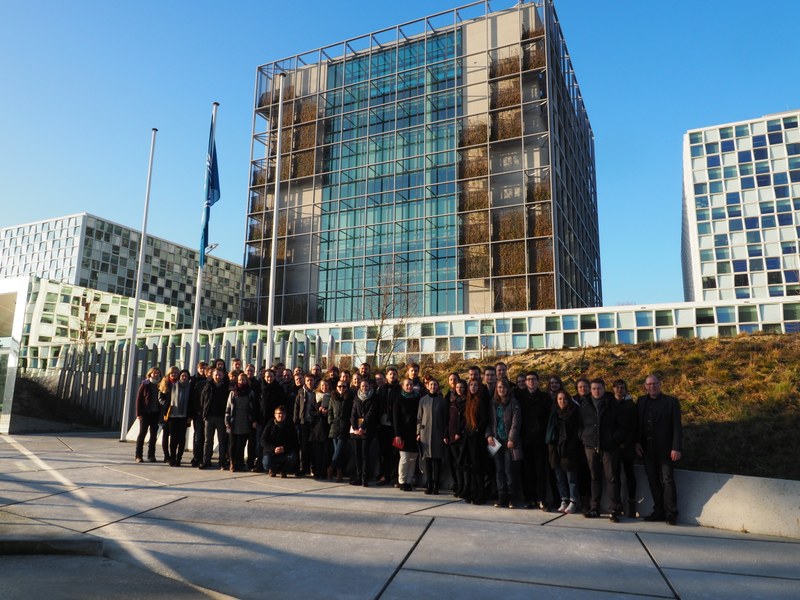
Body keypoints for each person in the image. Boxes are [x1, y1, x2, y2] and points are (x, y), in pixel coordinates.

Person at [636, 374, 682, 526]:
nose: (652, 386)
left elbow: (677, 427)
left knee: (667, 480)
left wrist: (676, 447)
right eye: (649, 384)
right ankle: (659, 511)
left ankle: (671, 513)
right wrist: (637, 442)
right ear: (645, 386)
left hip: (666, 449)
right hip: (648, 450)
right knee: (653, 480)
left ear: (660, 384)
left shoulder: (671, 402)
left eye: (655, 384)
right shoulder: (641, 401)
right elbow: (638, 424)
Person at [579, 378, 624, 522]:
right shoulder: (585, 405)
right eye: (593, 389)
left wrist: (614, 438)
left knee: (611, 478)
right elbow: (580, 424)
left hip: (609, 447)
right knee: (594, 478)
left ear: (604, 389)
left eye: (599, 388)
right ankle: (594, 508)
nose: (596, 391)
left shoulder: (613, 405)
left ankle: (614, 510)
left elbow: (622, 425)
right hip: (591, 446)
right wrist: (583, 436)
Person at [516, 371, 552, 510]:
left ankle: (541, 499)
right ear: (525, 382)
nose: (531, 381)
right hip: (525, 440)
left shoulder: (545, 398)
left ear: (538, 381)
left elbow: (548, 418)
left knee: (540, 471)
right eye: (528, 379)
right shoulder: (520, 398)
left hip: (540, 441)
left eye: (533, 379)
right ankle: (529, 498)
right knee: (527, 471)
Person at [486, 379, 522, 508]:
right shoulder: (493, 403)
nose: (501, 389)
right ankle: (502, 498)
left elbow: (516, 423)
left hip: (508, 442)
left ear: (507, 389)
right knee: (499, 471)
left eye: (504, 387)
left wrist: (511, 439)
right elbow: (489, 421)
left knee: (509, 471)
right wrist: (489, 435)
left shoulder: (514, 403)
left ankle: (512, 499)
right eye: (499, 387)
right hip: (496, 441)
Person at [546, 390, 582, 514]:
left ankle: (573, 501)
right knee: (559, 478)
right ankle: (564, 499)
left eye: (565, 399)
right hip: (556, 449)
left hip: (569, 449)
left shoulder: (574, 413)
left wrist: (570, 446)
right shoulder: (554, 413)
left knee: (571, 478)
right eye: (560, 399)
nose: (562, 401)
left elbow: (577, 432)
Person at [416, 378, 449, 495]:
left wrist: (445, 433)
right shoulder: (423, 400)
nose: (433, 386)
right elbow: (419, 418)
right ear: (427, 386)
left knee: (437, 459)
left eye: (435, 384)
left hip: (438, 433)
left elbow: (446, 419)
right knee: (428, 460)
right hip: (425, 433)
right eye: (431, 384)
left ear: (438, 387)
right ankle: (429, 483)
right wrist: (418, 433)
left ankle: (436, 485)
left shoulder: (442, 401)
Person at [613, 379, 639, 517]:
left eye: (622, 387)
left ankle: (631, 503)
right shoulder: (610, 404)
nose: (619, 390)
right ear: (613, 389)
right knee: (615, 476)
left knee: (630, 475)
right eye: (617, 387)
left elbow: (634, 426)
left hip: (628, 446)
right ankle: (617, 503)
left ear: (626, 390)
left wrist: (628, 443)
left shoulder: (631, 405)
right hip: (614, 446)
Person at [461, 379, 489, 505]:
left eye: (476, 385)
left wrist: (477, 430)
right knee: (471, 467)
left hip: (477, 439)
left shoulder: (481, 400)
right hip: (469, 437)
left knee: (478, 467)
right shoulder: (469, 400)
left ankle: (481, 494)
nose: (473, 387)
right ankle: (473, 492)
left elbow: (484, 418)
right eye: (471, 385)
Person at [225, 371, 258, 472]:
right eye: (240, 379)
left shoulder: (250, 392)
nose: (241, 381)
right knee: (232, 444)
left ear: (246, 380)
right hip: (234, 420)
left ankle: (240, 462)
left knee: (241, 444)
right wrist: (227, 420)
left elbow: (254, 407)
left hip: (245, 420)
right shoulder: (233, 392)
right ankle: (232, 462)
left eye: (243, 379)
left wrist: (253, 420)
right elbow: (228, 407)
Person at [159, 368, 193, 467]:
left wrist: (189, 416)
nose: (184, 377)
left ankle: (179, 458)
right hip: (172, 416)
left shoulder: (190, 388)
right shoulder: (172, 386)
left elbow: (191, 403)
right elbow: (165, 398)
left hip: (184, 416)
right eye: (182, 376)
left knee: (182, 439)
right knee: (173, 438)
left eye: (186, 376)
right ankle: (172, 458)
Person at [393, 377, 421, 491]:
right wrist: (397, 434)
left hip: (414, 432)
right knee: (404, 458)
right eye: (407, 385)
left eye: (411, 384)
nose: (409, 387)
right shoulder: (399, 398)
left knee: (413, 457)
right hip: (402, 433)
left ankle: (409, 481)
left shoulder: (418, 398)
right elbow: (396, 418)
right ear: (403, 386)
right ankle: (402, 481)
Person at [199, 367, 230, 470]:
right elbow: (203, 400)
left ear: (222, 375)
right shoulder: (208, 386)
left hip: (221, 418)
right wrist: (204, 414)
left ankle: (222, 462)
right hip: (209, 417)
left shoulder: (226, 387)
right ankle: (206, 461)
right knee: (208, 440)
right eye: (216, 375)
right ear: (212, 376)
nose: (218, 376)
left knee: (222, 440)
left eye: (220, 375)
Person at [375, 366, 400, 486]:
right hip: (382, 425)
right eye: (390, 374)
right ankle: (385, 475)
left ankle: (395, 477)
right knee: (383, 452)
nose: (392, 376)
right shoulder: (381, 389)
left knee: (395, 452)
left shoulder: (400, 389)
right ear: (387, 376)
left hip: (395, 428)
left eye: (394, 374)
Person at [350, 378, 378, 486]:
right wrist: (355, 427)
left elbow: (371, 414)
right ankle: (358, 476)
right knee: (357, 454)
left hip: (367, 429)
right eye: (362, 386)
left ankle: (364, 478)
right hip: (357, 430)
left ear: (369, 386)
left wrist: (363, 426)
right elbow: (353, 413)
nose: (364, 388)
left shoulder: (373, 397)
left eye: (366, 386)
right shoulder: (357, 397)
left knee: (364, 454)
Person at [261, 406, 299, 477]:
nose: (280, 415)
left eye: (282, 413)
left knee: (292, 457)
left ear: (285, 415)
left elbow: (294, 441)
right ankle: (272, 469)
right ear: (275, 415)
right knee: (266, 463)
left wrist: (283, 448)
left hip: (285, 451)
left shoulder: (290, 426)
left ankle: (283, 469)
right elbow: (263, 441)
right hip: (271, 451)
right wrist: (274, 448)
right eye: (278, 413)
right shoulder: (269, 425)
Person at [135, 366, 162, 463]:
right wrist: (138, 413)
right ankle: (138, 455)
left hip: (156, 413)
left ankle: (151, 455)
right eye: (154, 373)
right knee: (142, 434)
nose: (156, 375)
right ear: (150, 374)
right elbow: (139, 399)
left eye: (157, 373)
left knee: (153, 435)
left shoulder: (161, 384)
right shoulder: (145, 384)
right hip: (145, 413)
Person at [328, 378, 353, 482]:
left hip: (345, 427)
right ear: (336, 387)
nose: (341, 388)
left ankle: (330, 468)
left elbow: (352, 412)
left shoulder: (350, 398)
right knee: (338, 452)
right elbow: (330, 411)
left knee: (338, 451)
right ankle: (339, 474)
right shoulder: (333, 397)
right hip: (334, 427)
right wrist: (330, 421)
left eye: (344, 386)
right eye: (339, 386)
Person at [294, 373, 318, 477]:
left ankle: (313, 468)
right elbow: (296, 407)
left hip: (314, 423)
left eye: (311, 380)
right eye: (307, 380)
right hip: (303, 423)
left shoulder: (317, 392)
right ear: (305, 381)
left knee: (313, 446)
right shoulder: (301, 392)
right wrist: (295, 421)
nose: (309, 382)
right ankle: (304, 468)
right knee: (304, 447)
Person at [446, 380, 467, 497]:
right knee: (457, 463)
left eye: (462, 387)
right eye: (458, 387)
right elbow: (448, 420)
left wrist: (459, 432)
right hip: (452, 437)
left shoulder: (467, 402)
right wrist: (445, 434)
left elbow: (466, 420)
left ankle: (465, 487)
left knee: (462, 463)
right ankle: (459, 486)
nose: (459, 389)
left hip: (462, 437)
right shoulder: (453, 403)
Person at [309, 378, 332, 480]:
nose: (324, 387)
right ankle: (317, 471)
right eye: (322, 385)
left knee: (326, 452)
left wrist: (327, 412)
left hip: (327, 426)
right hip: (317, 428)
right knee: (317, 452)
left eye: (326, 385)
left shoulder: (332, 396)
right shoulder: (314, 396)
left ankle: (323, 472)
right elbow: (311, 412)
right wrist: (319, 411)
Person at [158, 366, 180, 463]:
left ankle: (172, 455)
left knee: (174, 436)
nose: (174, 374)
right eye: (172, 373)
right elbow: (160, 398)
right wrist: (166, 404)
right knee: (165, 435)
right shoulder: (165, 383)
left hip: (176, 413)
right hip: (166, 413)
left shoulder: (179, 383)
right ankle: (166, 455)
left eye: (175, 373)